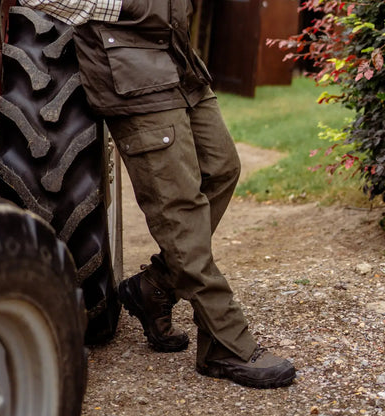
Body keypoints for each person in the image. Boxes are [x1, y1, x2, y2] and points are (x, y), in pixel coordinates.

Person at [18, 0, 296, 388]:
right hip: (130, 70)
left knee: (222, 169)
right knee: (179, 208)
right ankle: (223, 342)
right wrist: (126, 6)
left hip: (178, 58)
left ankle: (157, 285)